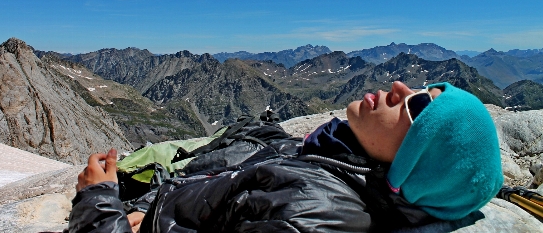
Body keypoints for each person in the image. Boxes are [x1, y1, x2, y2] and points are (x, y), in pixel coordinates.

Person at [66, 81, 503, 233]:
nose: (399, 88)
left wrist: (99, 204)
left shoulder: (315, 213)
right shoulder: (331, 164)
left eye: (419, 108)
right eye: (426, 88)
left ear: (415, 165)